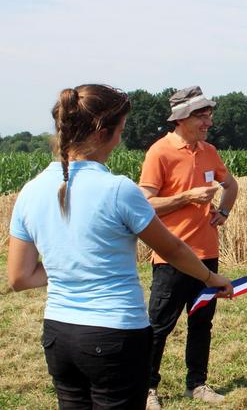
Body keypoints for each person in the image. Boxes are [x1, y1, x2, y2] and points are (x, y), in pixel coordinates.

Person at [7, 84, 233, 409]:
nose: (121, 138)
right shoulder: (118, 190)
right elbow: (171, 249)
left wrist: (69, 265)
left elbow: (20, 277)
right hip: (114, 335)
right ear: (103, 133)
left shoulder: (30, 190)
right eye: (121, 130)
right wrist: (211, 279)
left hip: (59, 334)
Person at [139, 86, 239, 408]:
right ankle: (147, 389)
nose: (208, 122)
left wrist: (223, 212)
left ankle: (197, 384)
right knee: (159, 326)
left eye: (210, 116)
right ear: (182, 118)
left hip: (207, 255)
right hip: (171, 256)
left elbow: (231, 184)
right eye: (202, 116)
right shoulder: (160, 152)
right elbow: (145, 204)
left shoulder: (209, 150)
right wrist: (186, 197)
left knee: (202, 324)